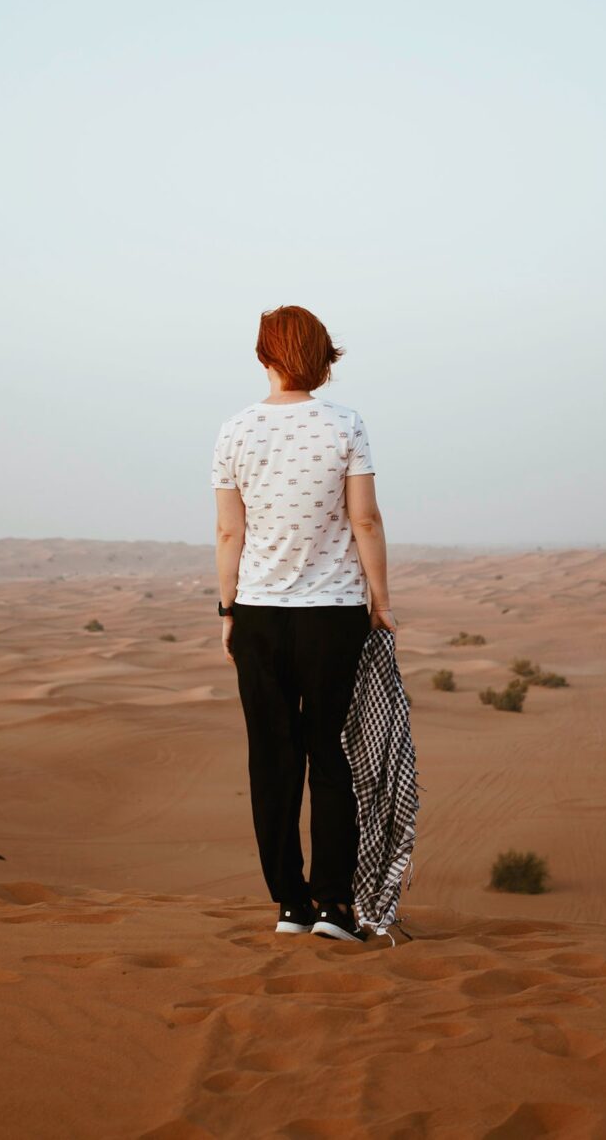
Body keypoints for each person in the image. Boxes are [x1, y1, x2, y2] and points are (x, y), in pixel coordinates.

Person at [211, 305, 395, 944]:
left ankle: (290, 906)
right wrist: (381, 599)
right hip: (334, 618)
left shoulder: (234, 431)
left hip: (259, 616)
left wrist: (227, 608)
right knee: (331, 756)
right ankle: (335, 909)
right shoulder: (346, 425)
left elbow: (229, 530)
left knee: (273, 760)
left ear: (264, 356)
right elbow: (364, 520)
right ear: (323, 359)